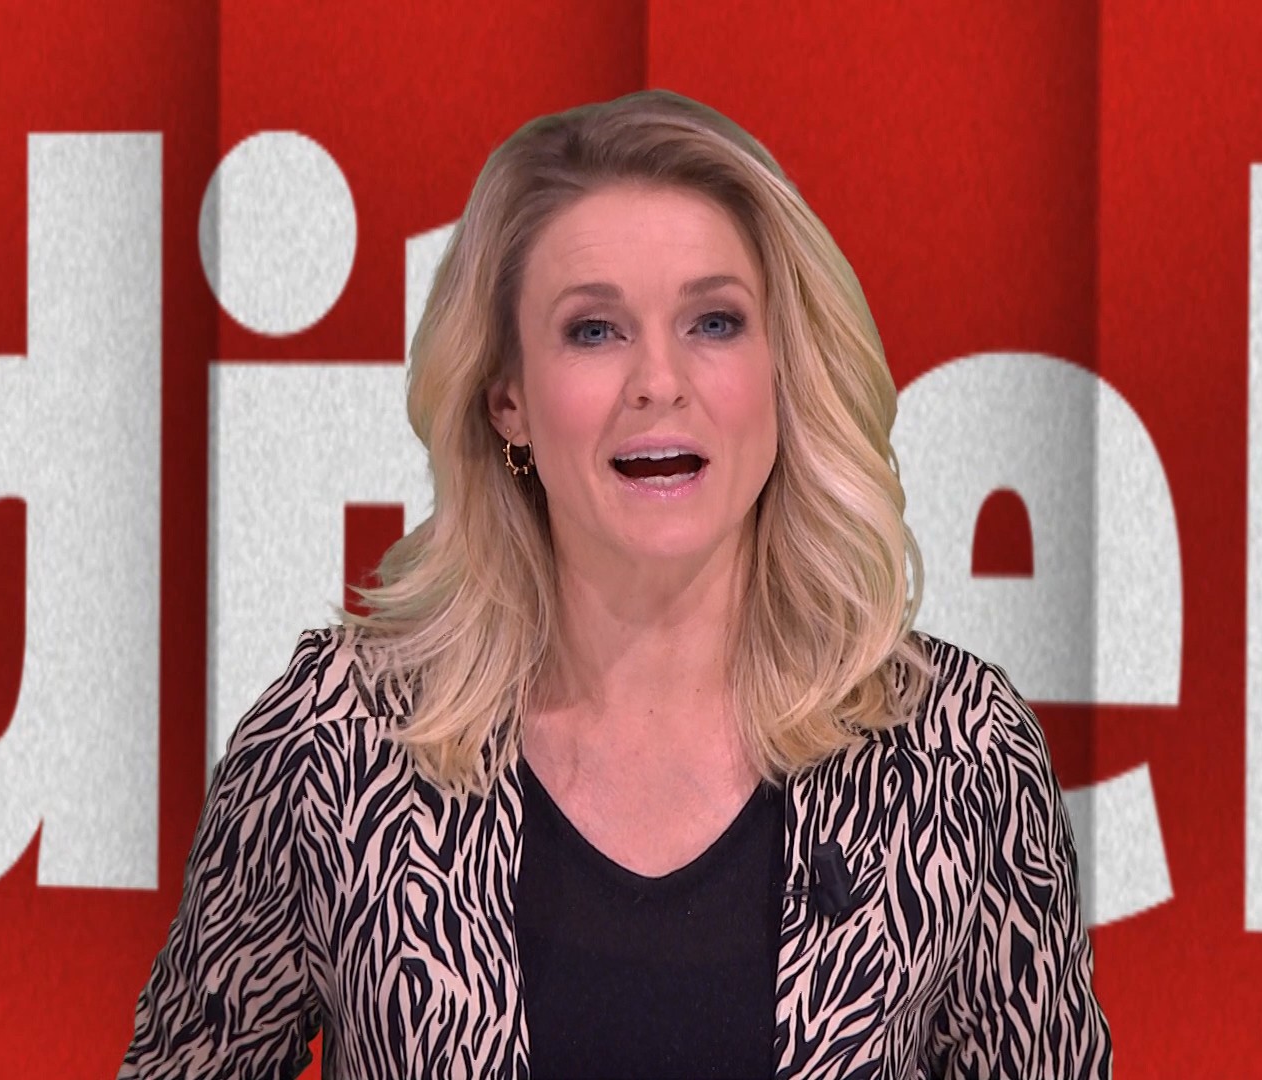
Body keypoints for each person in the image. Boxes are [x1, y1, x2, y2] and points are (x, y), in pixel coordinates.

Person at [118, 87, 1112, 1080]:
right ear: (507, 399)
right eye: (594, 331)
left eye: (714, 322)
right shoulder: (337, 741)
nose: (658, 381)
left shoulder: (958, 754)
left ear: (783, 371)